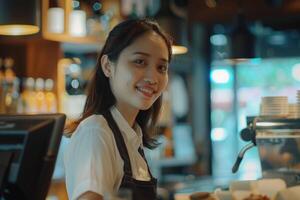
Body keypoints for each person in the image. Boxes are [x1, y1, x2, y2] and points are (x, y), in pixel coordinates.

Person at [63, 18, 172, 200]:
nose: (153, 78)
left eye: (161, 67)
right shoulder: (96, 131)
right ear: (107, 66)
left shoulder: (131, 136)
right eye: (139, 61)